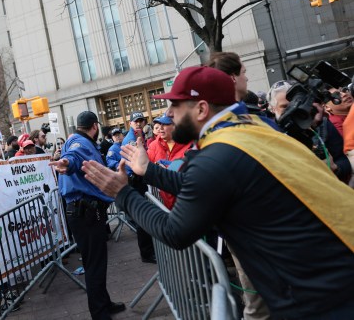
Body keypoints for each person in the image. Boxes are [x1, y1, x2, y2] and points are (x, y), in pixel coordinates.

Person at [81, 66, 354, 320]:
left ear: (201, 108)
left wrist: (123, 193)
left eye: (176, 105)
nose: (170, 114)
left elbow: (175, 231)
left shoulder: (218, 155)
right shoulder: (249, 128)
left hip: (320, 298)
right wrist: (149, 170)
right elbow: (203, 187)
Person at [50, 111, 125, 320]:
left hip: (86, 211)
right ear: (94, 126)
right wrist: (66, 163)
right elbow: (72, 158)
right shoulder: (79, 143)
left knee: (97, 262)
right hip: (86, 213)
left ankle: (104, 303)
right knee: (95, 265)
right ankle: (100, 314)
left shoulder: (77, 140)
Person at [269, 81, 351, 182]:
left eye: (295, 104)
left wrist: (336, 168)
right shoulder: (269, 132)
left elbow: (343, 160)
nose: (292, 109)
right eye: (284, 106)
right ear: (272, 109)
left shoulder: (322, 124)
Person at [121, 111, 155, 264]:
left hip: (141, 179)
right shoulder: (131, 140)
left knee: (146, 216)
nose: (139, 123)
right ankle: (147, 254)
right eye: (136, 121)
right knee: (143, 217)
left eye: (141, 120)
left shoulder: (141, 136)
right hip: (136, 181)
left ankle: (149, 251)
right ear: (130, 123)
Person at [148, 115, 192, 210]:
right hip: (164, 203)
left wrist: (168, 171)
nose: (160, 128)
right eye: (160, 125)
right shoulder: (154, 145)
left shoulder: (189, 144)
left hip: (187, 202)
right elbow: (147, 167)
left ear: (175, 126)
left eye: (165, 124)